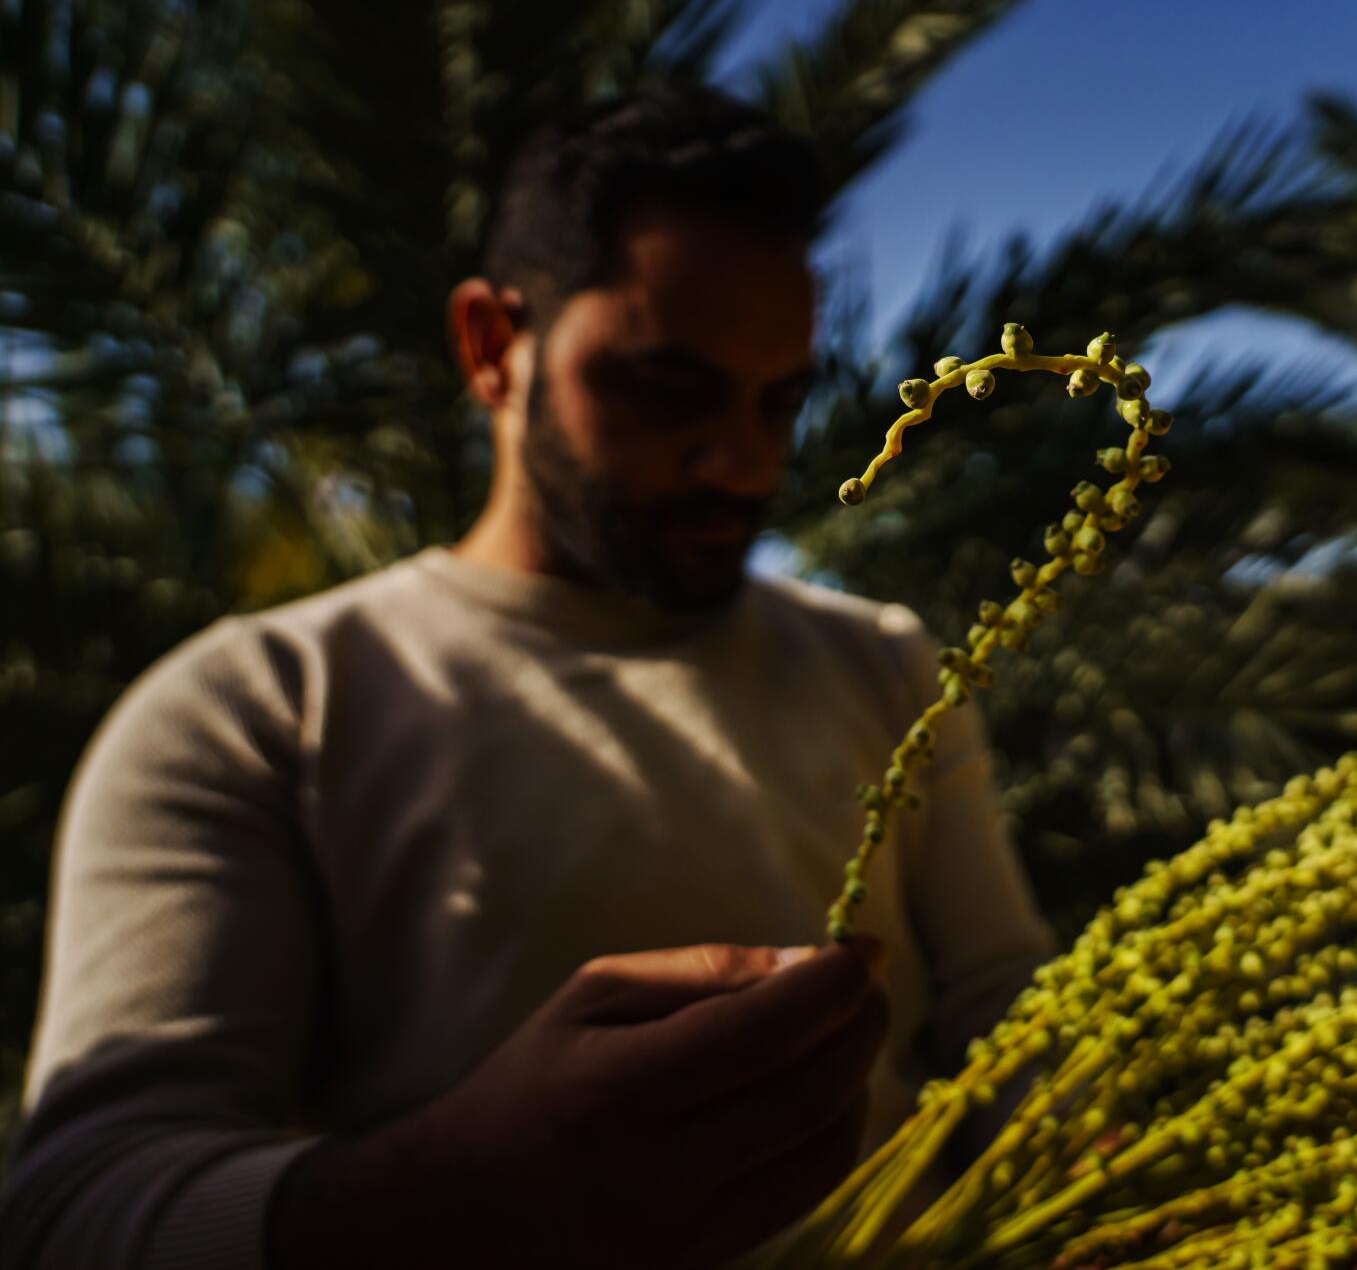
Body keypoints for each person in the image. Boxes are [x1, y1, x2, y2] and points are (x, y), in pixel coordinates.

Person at [0, 81, 1058, 1270]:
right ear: (492, 346)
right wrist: (459, 1188)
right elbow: (76, 1209)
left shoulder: (883, 663)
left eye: (781, 401)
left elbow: (1014, 1033)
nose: (740, 463)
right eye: (667, 388)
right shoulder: (258, 708)